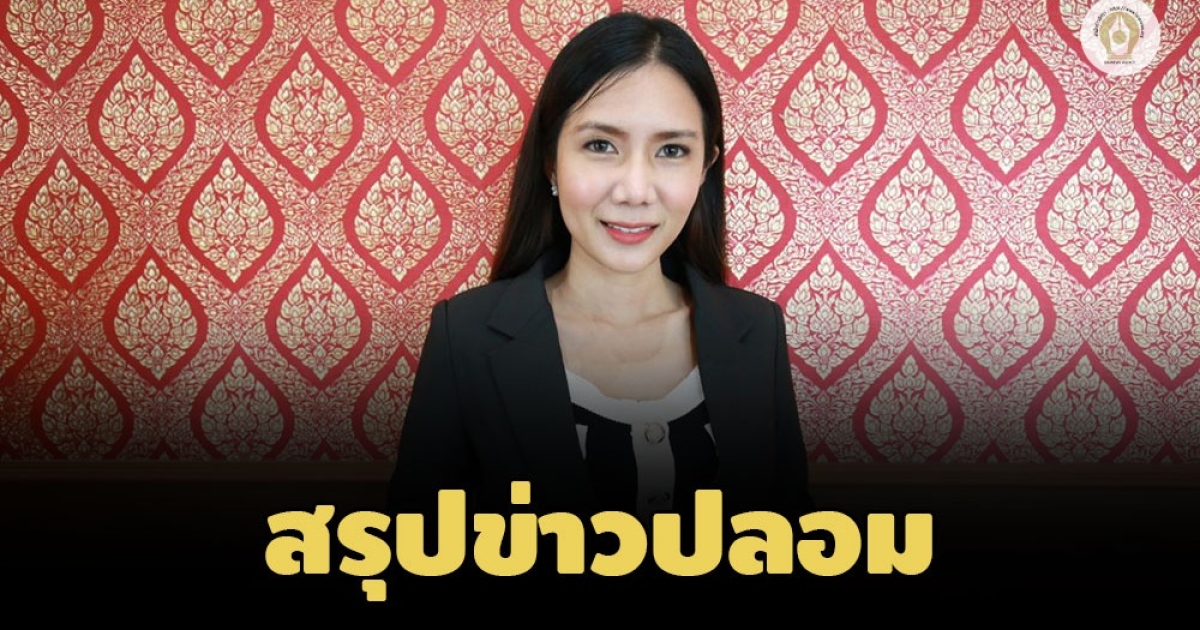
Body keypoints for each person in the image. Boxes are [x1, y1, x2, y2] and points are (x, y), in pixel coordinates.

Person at [387, 11, 813, 582]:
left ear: (705, 167)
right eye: (600, 145)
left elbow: (792, 545)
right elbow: (416, 555)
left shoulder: (756, 331)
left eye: (671, 151)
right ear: (550, 160)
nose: (635, 191)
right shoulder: (463, 337)